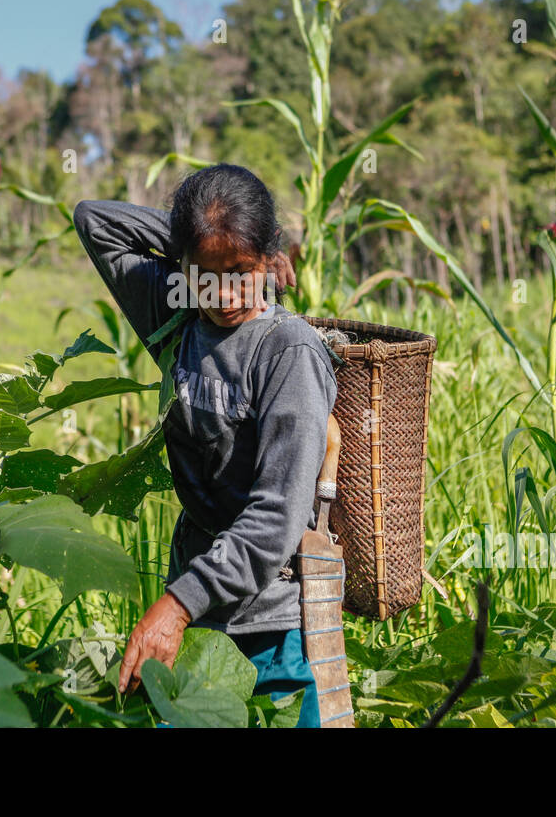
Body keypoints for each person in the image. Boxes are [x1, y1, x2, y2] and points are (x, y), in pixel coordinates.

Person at [72, 164, 338, 728]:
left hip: (270, 627)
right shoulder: (173, 317)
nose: (224, 294)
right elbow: (95, 220)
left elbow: (276, 519)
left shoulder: (288, 352)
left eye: (240, 271)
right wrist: (189, 238)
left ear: (271, 258)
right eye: (203, 275)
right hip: (194, 626)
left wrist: (177, 605)